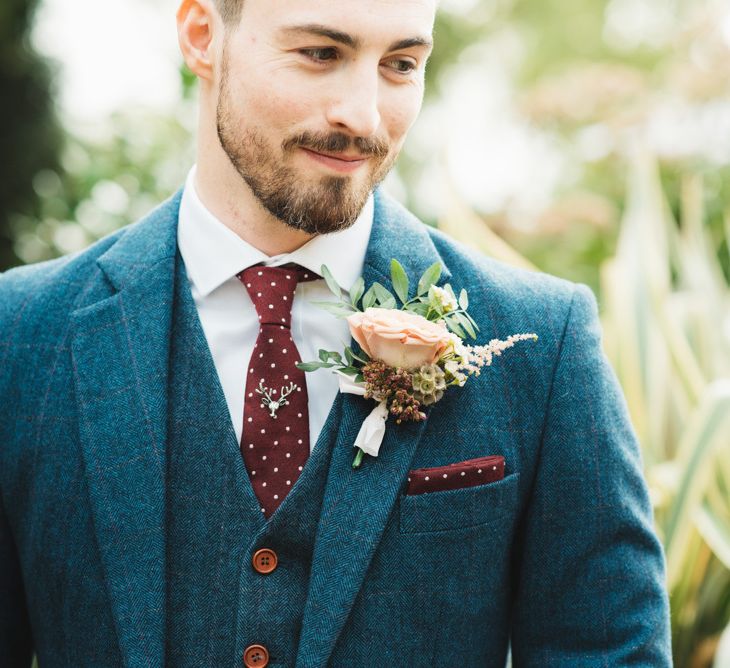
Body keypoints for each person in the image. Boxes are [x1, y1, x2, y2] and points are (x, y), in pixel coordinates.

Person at [0, 0, 672, 666]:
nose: (363, 114)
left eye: (401, 63)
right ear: (203, 36)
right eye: (321, 54)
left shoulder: (542, 342)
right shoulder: (20, 335)